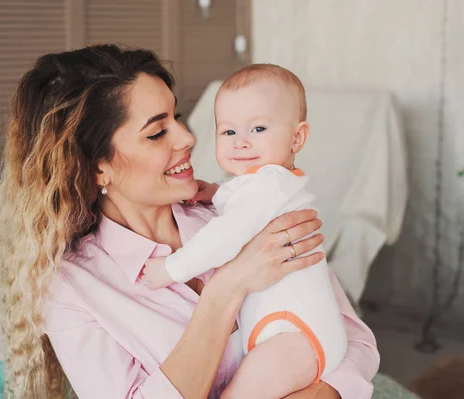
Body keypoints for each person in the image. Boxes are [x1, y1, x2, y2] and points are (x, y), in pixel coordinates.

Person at [0, 44, 379, 399]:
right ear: (98, 169)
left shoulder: (241, 209)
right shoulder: (73, 288)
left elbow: (356, 339)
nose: (188, 137)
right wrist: (226, 288)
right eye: (158, 132)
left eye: (177, 116)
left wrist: (319, 395)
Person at [142, 64, 348, 399]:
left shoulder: (269, 183)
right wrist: (214, 192)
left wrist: (171, 269)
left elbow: (225, 236)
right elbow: (241, 201)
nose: (241, 143)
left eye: (258, 128)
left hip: (295, 335)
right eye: (228, 132)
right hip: (284, 332)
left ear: (297, 137)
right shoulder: (263, 184)